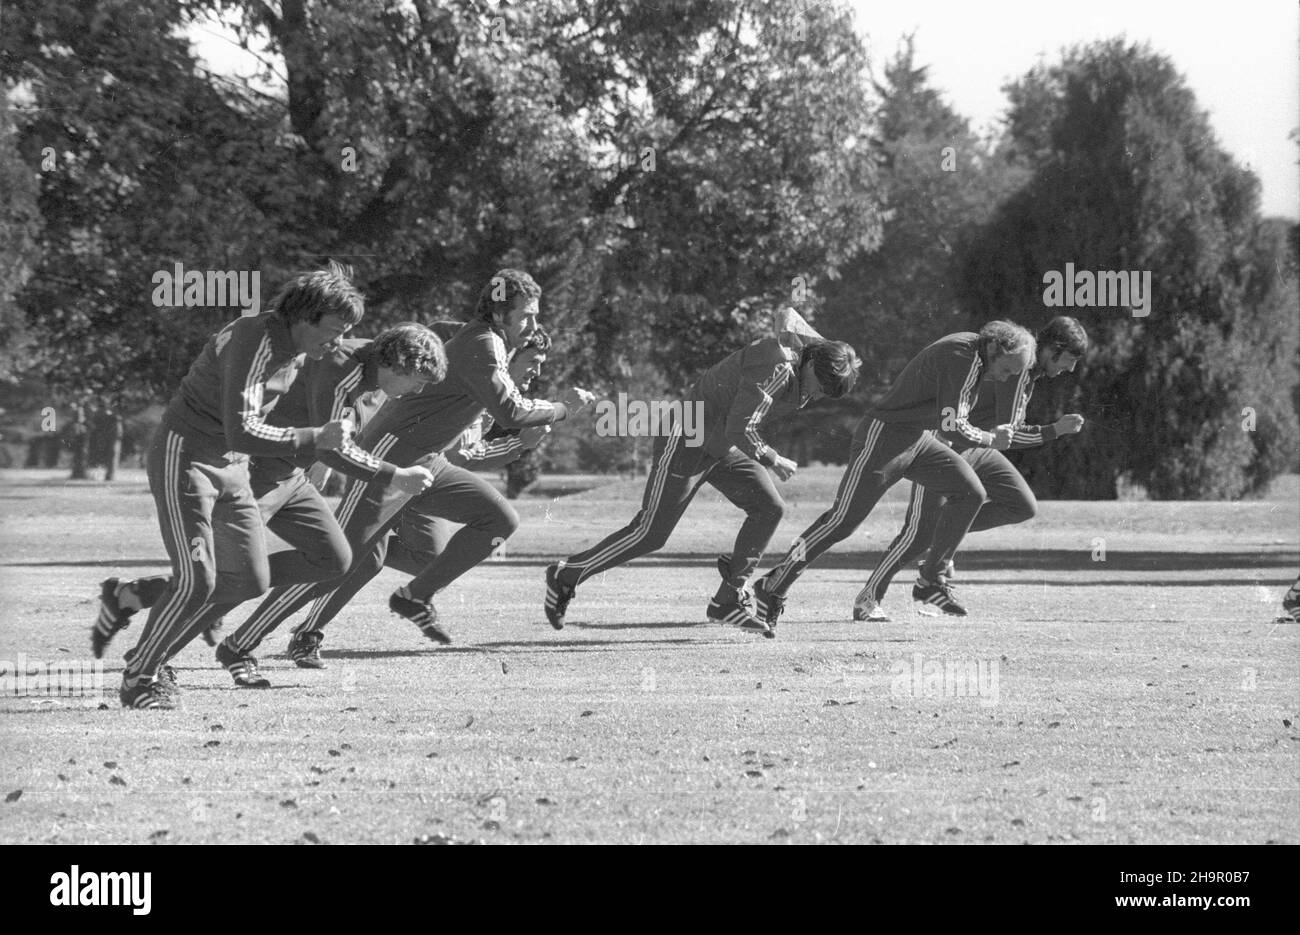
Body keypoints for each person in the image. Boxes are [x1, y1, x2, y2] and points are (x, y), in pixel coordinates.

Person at [227, 269, 592, 656]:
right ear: (500, 315)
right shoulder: (485, 345)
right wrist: (562, 410)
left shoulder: (481, 338)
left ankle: (414, 597)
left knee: (499, 519)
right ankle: (244, 640)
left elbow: (437, 331)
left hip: (427, 460)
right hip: (389, 454)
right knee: (340, 561)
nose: (534, 324)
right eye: (526, 316)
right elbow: (511, 412)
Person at [116, 263, 365, 709]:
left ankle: (155, 651)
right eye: (334, 329)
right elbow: (242, 431)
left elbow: (243, 439)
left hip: (232, 468)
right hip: (186, 457)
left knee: (250, 578)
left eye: (346, 331)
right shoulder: (257, 340)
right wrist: (316, 438)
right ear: (303, 318)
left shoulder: (295, 345)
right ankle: (141, 678)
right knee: (199, 579)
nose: (340, 340)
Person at [543, 308, 860, 637]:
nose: (818, 395)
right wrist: (772, 457)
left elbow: (788, 315)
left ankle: (727, 600)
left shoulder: (813, 355)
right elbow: (742, 428)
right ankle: (567, 575)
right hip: (687, 436)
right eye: (820, 386)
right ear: (810, 364)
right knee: (651, 534)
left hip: (719, 444)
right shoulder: (777, 368)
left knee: (769, 508)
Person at [283, 328, 552, 668]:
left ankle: (403, 589)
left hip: (424, 471)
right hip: (390, 463)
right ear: (506, 357)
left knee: (428, 558)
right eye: (532, 362)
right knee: (359, 556)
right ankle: (306, 627)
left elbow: (462, 452)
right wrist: (521, 442)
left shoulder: (488, 392)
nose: (536, 372)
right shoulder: (477, 378)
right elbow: (461, 455)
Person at [752, 320, 1036, 629]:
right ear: (995, 348)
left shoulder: (976, 355)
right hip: (884, 437)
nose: (1006, 377)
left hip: (917, 438)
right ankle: (772, 585)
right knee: (841, 522)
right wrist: (989, 438)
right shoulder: (965, 357)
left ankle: (931, 580)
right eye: (1007, 369)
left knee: (971, 493)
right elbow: (951, 425)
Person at [855, 316, 1088, 621]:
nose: (1069, 369)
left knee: (1021, 505)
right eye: (1069, 359)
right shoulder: (1020, 371)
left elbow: (1002, 433)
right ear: (1053, 348)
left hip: (978, 447)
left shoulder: (1027, 373)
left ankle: (932, 572)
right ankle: (869, 599)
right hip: (948, 445)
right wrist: (1053, 430)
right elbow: (1010, 434)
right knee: (918, 533)